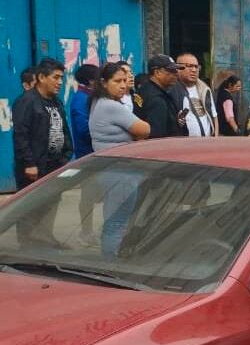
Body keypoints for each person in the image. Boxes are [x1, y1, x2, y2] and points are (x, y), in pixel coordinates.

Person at [89, 62, 151, 256]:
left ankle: (111, 257)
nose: (123, 85)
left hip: (112, 169)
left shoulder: (100, 103)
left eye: (125, 80)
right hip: (121, 171)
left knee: (114, 219)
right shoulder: (110, 106)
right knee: (117, 222)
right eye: (117, 81)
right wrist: (136, 135)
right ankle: (111, 262)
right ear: (104, 83)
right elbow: (145, 129)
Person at [12, 57, 71, 189]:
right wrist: (29, 163)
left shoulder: (56, 101)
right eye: (55, 77)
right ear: (42, 77)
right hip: (35, 169)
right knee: (34, 207)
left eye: (61, 78)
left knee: (53, 204)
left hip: (56, 166)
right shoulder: (27, 101)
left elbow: (63, 129)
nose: (60, 82)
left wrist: (67, 154)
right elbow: (20, 134)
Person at [135, 54, 188, 138]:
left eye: (176, 70)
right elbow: (157, 136)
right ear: (157, 72)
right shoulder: (156, 99)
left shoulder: (144, 88)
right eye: (172, 70)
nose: (176, 74)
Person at [175, 53, 217, 137]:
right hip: (183, 145)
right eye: (189, 66)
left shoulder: (205, 89)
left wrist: (215, 139)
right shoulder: (172, 90)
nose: (194, 70)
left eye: (196, 66)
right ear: (178, 68)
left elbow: (214, 116)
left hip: (206, 144)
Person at [68, 63, 98, 159]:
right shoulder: (81, 99)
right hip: (87, 154)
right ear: (91, 81)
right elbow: (84, 130)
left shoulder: (89, 97)